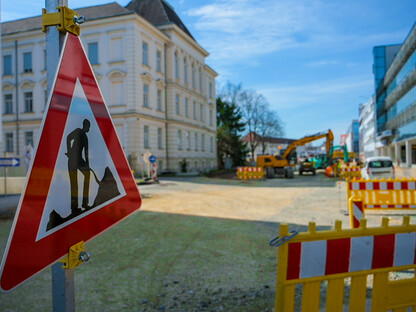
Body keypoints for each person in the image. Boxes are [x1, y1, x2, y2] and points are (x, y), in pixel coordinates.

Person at [66, 119, 91, 216]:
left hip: (79, 160)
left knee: (87, 175)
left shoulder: (85, 137)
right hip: (72, 159)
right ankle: (74, 207)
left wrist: (87, 165)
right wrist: (68, 151)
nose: (89, 128)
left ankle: (84, 203)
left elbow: (86, 153)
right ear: (85, 125)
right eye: (88, 126)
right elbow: (68, 138)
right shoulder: (78, 131)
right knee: (74, 183)